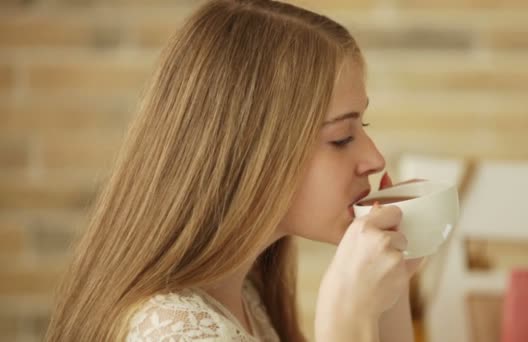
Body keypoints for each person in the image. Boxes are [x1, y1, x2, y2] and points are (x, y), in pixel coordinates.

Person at [44, 0, 422, 341]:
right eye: (341, 137)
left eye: (364, 128)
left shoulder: (242, 293)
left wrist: (388, 290)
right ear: (252, 152)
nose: (375, 159)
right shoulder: (181, 334)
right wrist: (346, 319)